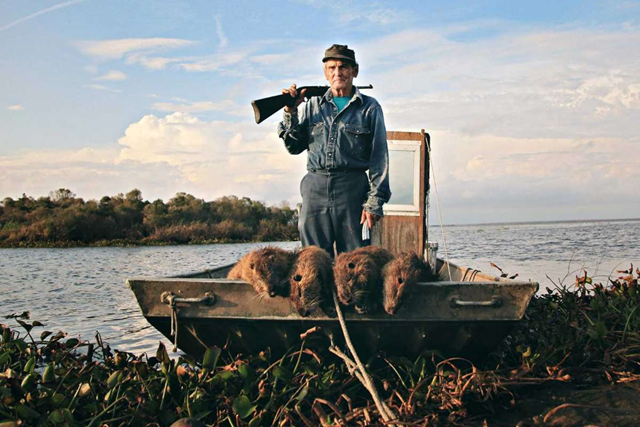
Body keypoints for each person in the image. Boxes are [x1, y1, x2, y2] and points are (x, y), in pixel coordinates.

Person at [278, 44, 391, 256]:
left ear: (354, 71)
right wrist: (290, 110)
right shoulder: (312, 105)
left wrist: (374, 203)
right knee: (314, 259)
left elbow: (379, 158)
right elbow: (293, 147)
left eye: (343, 67)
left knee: (356, 261)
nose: (337, 73)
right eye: (332, 68)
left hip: (353, 189)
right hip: (315, 187)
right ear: (325, 72)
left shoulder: (370, 108)